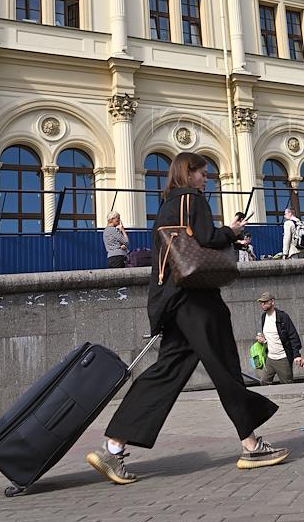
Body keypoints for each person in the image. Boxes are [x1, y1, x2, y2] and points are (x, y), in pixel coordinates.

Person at [86, 152, 290, 485]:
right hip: (197, 299)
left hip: (172, 300)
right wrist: (231, 231)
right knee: (224, 367)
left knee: (167, 371)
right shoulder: (192, 199)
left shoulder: (167, 204)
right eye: (202, 174)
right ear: (188, 172)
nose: (206, 180)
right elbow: (207, 239)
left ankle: (113, 448)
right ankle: (251, 446)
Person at [255, 292, 304, 384]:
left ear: (272, 301)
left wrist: (297, 355)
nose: (263, 304)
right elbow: (269, 336)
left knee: (287, 384)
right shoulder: (263, 317)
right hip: (270, 358)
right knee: (264, 381)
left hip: (283, 358)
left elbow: (293, 336)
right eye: (261, 302)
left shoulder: (282, 316)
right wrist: (262, 339)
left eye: (265, 302)